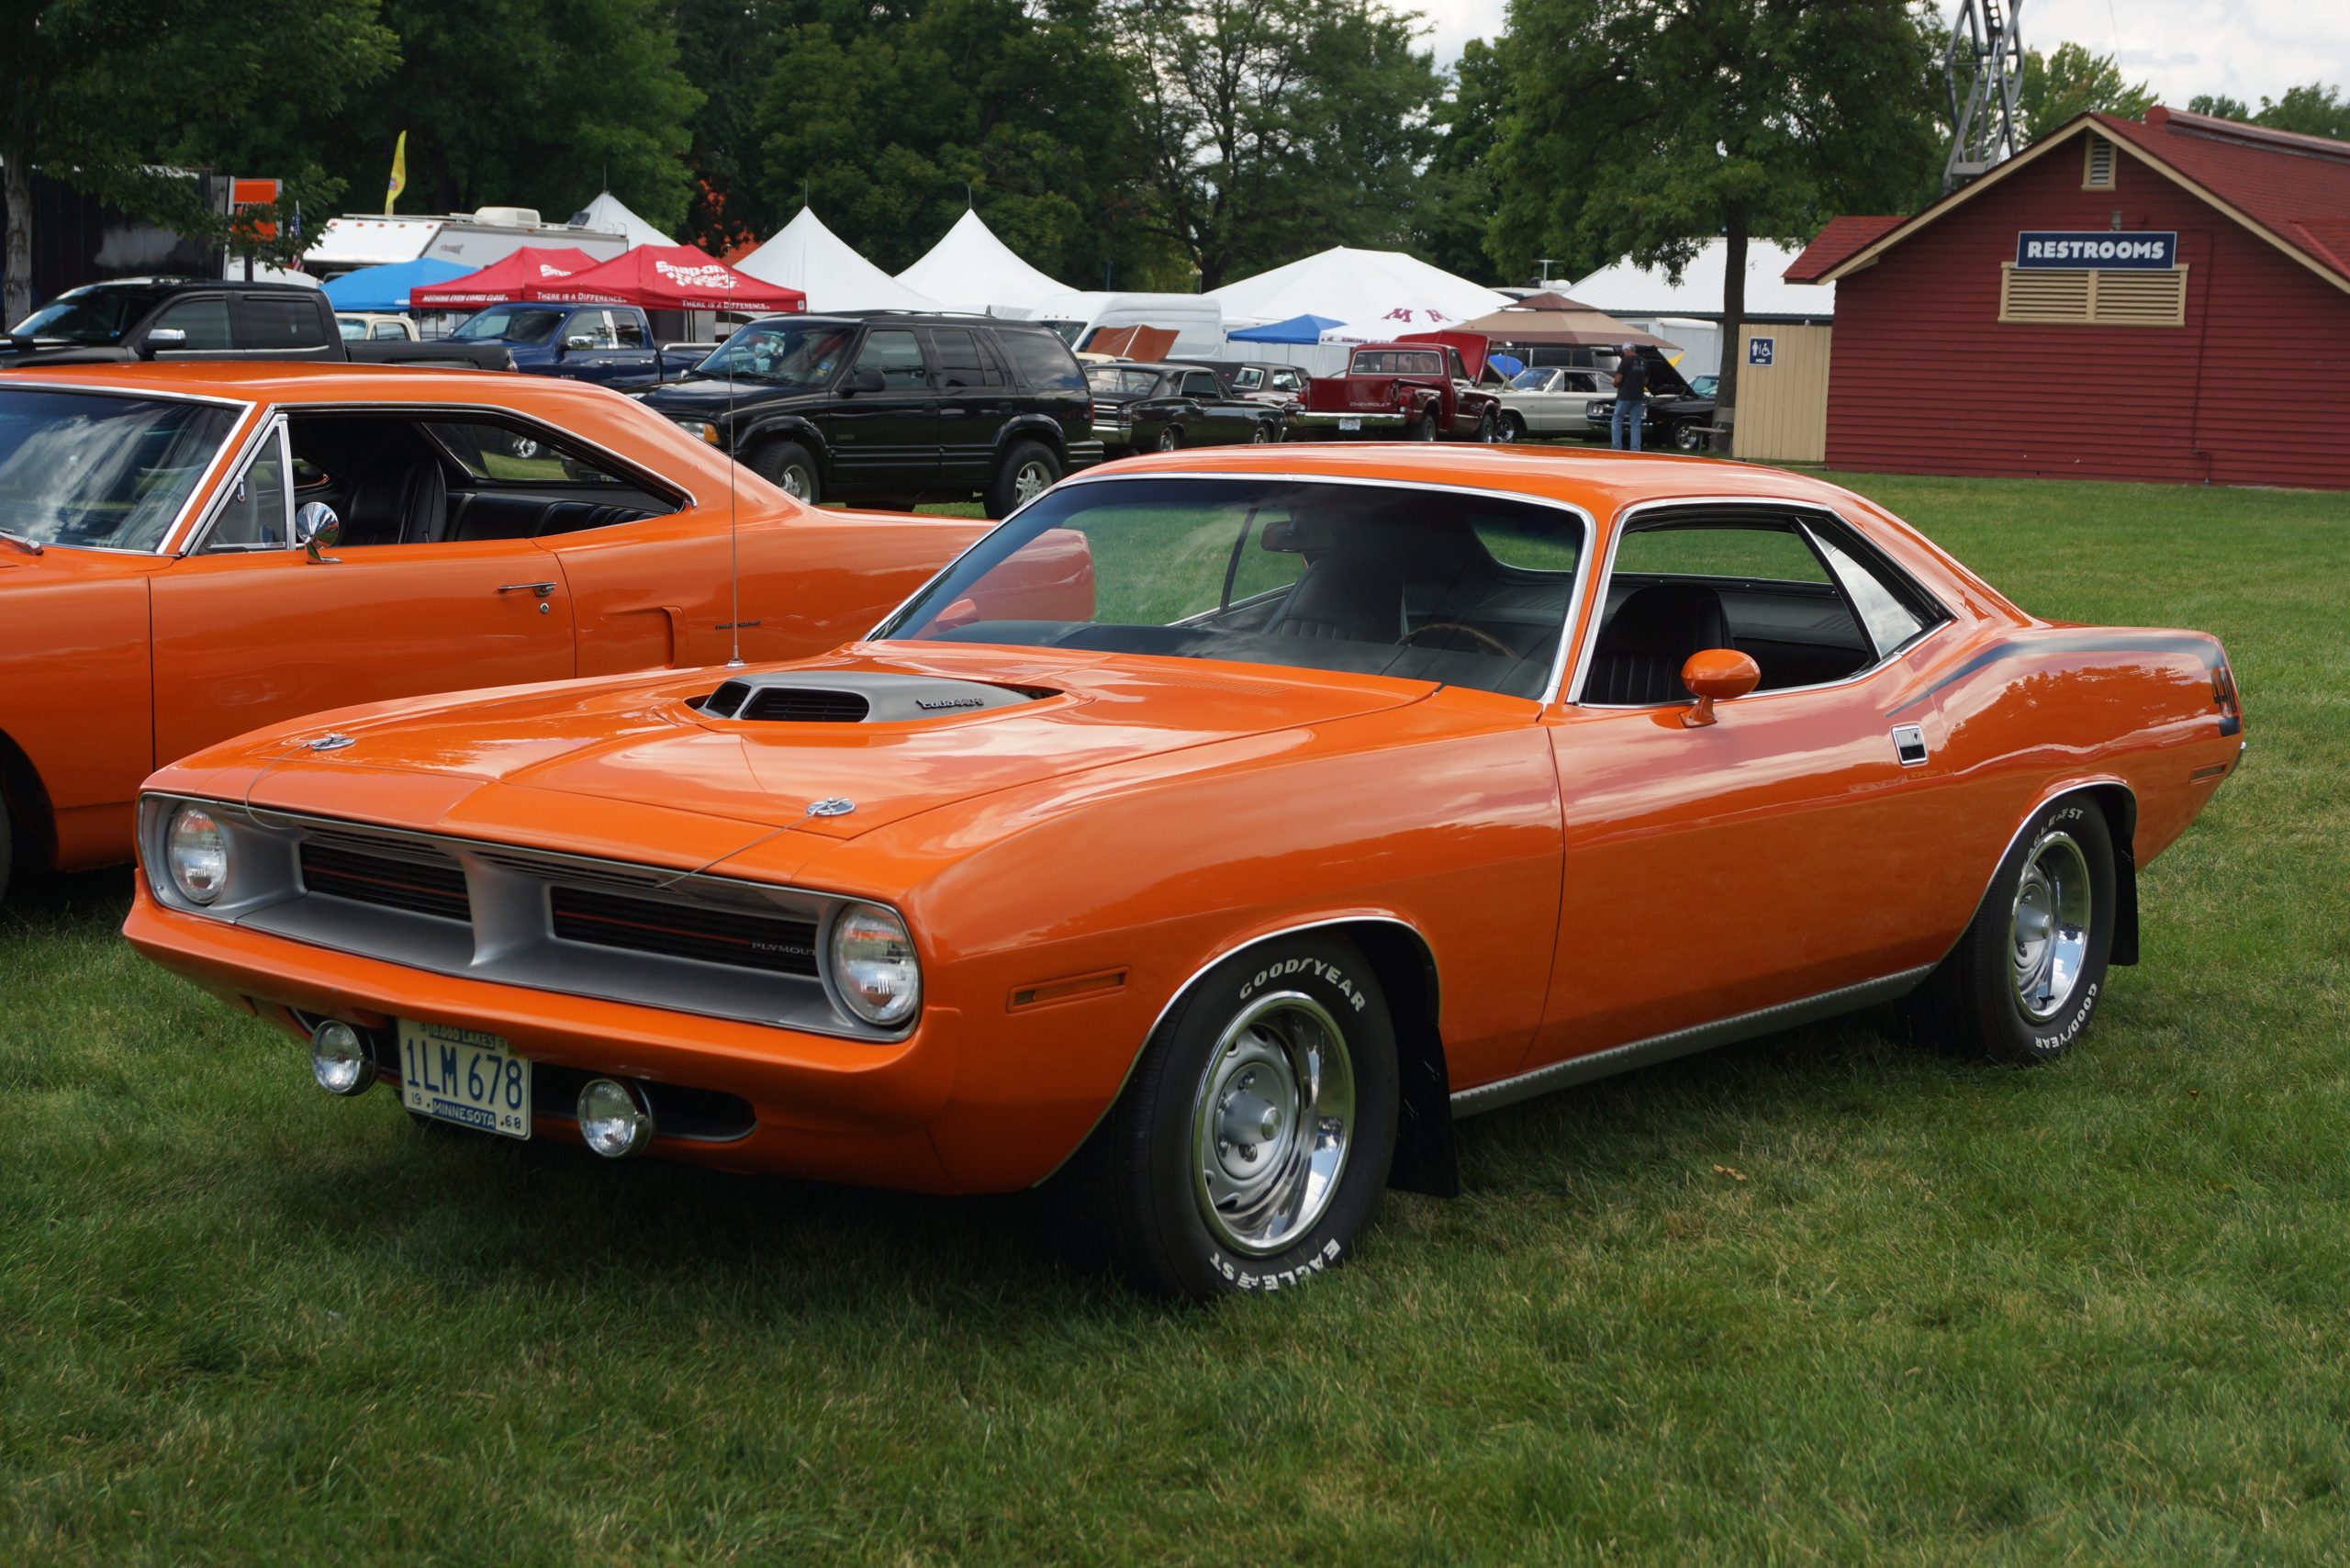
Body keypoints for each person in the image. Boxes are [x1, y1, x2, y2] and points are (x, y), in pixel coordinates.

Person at [1609, 343, 1650, 451]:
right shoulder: (1644, 362)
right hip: (1638, 396)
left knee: (1617, 420)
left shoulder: (1625, 361)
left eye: (1623, 352)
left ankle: (1616, 447)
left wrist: (1614, 384)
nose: (1623, 354)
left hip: (1625, 396)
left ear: (1627, 350)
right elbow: (1645, 381)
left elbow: (1618, 379)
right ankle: (1635, 448)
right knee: (1636, 423)